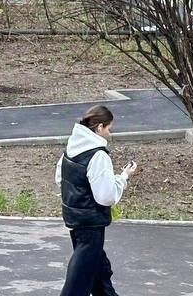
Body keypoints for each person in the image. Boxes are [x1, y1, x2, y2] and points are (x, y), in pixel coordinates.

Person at [56, 105, 136, 296]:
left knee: (99, 271)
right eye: (108, 128)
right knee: (79, 280)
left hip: (74, 218)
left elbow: (60, 178)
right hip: (91, 223)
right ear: (99, 127)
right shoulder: (98, 155)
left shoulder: (73, 146)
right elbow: (106, 196)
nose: (109, 133)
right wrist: (123, 177)